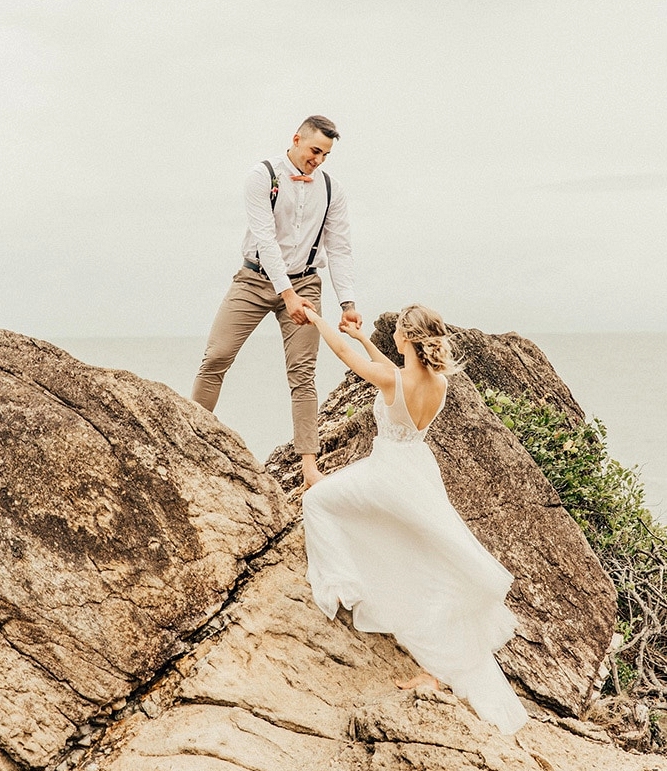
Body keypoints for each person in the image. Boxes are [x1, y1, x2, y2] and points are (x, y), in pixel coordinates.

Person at [301, 304, 528, 735]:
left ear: (405, 338)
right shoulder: (437, 381)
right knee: (421, 558)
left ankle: (341, 584)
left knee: (317, 503)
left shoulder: (396, 380)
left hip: (387, 474)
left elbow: (351, 361)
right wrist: (367, 338)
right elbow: (388, 373)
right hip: (417, 471)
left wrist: (317, 320)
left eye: (397, 335)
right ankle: (434, 657)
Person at [191, 115, 362, 489]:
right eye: (315, 150)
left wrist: (347, 302)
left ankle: (308, 467)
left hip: (305, 283)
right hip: (254, 279)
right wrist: (287, 295)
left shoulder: (332, 189)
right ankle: (188, 439)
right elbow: (265, 240)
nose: (319, 159)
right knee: (216, 356)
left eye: (326, 154)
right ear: (297, 139)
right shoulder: (261, 176)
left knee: (303, 375)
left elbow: (340, 246)